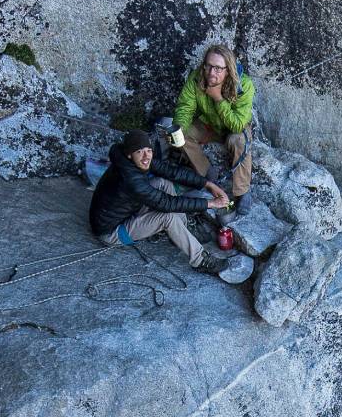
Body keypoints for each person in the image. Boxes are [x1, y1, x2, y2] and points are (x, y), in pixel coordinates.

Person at [89, 129, 238, 273]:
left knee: (163, 183)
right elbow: (166, 203)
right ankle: (200, 260)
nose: (146, 156)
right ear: (130, 154)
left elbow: (171, 172)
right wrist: (210, 203)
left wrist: (207, 184)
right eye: (140, 152)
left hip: (126, 210)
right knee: (167, 217)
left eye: (148, 150)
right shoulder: (132, 180)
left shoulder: (129, 159)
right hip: (112, 231)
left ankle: (182, 229)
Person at [172, 43, 254, 216]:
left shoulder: (243, 85)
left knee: (239, 140)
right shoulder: (197, 78)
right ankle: (208, 173)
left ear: (228, 69)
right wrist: (179, 127)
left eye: (218, 68)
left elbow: (237, 125)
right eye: (208, 66)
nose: (211, 72)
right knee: (181, 135)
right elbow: (185, 107)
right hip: (209, 124)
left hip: (233, 128)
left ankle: (242, 191)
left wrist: (218, 99)